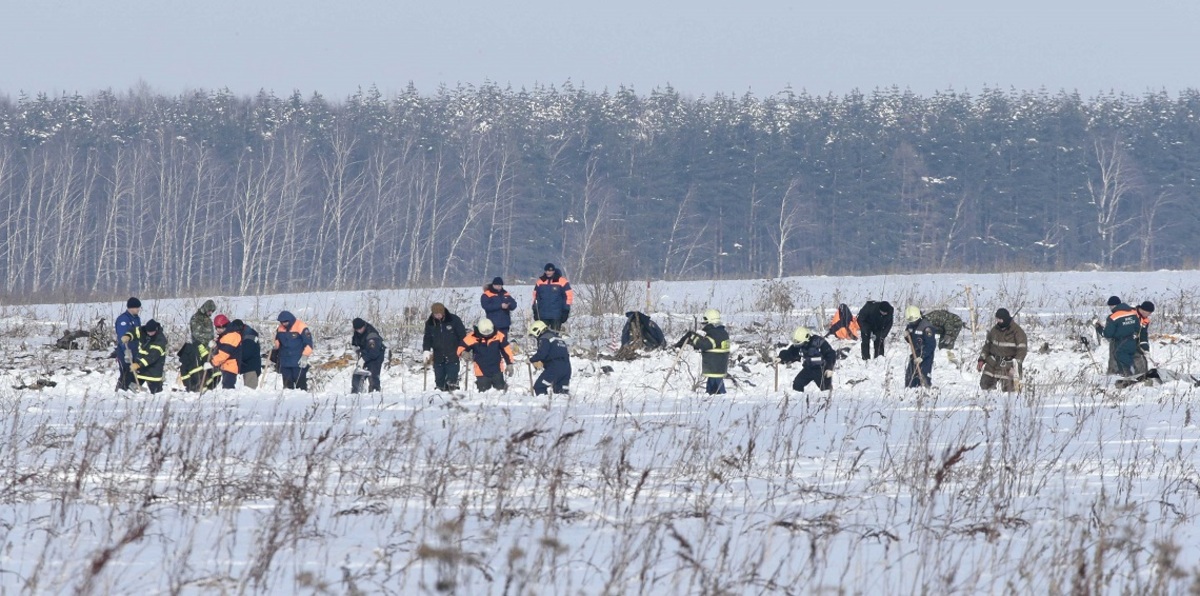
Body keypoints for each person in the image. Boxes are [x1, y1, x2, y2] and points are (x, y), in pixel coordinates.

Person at [680, 308, 731, 395]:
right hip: (718, 365)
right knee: (712, 384)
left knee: (718, 387)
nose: (705, 326)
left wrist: (693, 337)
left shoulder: (716, 333)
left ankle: (720, 397)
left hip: (715, 366)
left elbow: (705, 345)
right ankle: (711, 395)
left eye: (706, 323)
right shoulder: (721, 332)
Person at [976, 308, 1028, 392]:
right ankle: (988, 402)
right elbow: (987, 346)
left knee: (1009, 392)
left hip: (1008, 365)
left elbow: (1022, 350)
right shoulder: (994, 330)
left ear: (1005, 319)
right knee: (985, 386)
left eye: (1000, 319)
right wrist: (982, 359)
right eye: (997, 319)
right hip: (992, 363)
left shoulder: (1018, 332)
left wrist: (1016, 366)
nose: (998, 321)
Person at [458, 317, 515, 392]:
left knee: (500, 392)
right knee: (483, 394)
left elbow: (506, 350)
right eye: (485, 334)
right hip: (481, 370)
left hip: (497, 368)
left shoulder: (499, 335)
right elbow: (461, 347)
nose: (487, 335)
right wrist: (463, 353)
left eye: (489, 333)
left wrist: (509, 363)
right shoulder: (472, 337)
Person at [423, 302, 467, 392]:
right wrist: (426, 350)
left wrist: (463, 349)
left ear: (443, 312)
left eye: (439, 314)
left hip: (453, 353)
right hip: (438, 355)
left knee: (452, 378)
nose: (438, 316)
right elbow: (427, 337)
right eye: (435, 314)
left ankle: (453, 392)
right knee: (439, 379)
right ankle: (440, 392)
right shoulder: (430, 323)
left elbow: (462, 336)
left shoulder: (454, 320)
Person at [778, 326, 837, 392]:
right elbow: (791, 353)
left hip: (821, 370)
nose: (797, 345)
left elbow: (831, 354)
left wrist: (829, 368)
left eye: (799, 343)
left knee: (826, 389)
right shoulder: (799, 345)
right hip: (808, 368)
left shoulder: (819, 342)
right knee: (797, 383)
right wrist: (781, 358)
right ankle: (799, 399)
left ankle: (828, 401)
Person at [528, 320, 571, 395]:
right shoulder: (558, 338)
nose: (535, 337)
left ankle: (543, 405)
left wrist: (531, 360)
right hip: (567, 368)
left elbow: (542, 353)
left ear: (537, 330)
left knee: (539, 387)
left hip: (555, 367)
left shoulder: (544, 338)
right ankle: (564, 406)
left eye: (535, 336)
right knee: (561, 393)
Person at [124, 319, 167, 394]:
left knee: (156, 393)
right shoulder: (143, 331)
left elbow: (152, 357)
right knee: (130, 389)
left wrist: (138, 364)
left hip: (153, 370)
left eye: (152, 332)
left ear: (156, 330)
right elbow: (134, 331)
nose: (150, 334)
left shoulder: (160, 340)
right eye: (148, 332)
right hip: (141, 369)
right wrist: (128, 336)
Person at [1099, 297, 1139, 376]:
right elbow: (1138, 327)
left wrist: (1099, 329)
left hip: (1120, 342)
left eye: (1110, 306)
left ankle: (1126, 377)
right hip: (1132, 340)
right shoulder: (1133, 312)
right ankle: (1136, 374)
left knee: (1121, 360)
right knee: (1131, 358)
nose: (1110, 308)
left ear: (1113, 306)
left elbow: (1107, 334)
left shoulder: (1113, 317)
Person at [274, 310, 314, 390]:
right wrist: (275, 347)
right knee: (287, 387)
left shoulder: (301, 326)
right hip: (285, 361)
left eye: (285, 322)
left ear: (290, 320)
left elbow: (309, 343)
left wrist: (305, 356)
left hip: (298, 361)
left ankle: (302, 400)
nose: (283, 324)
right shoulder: (280, 328)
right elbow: (277, 342)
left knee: (300, 386)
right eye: (282, 322)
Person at [532, 263, 574, 331]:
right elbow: (536, 297)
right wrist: (535, 310)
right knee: (543, 336)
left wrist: (566, 310)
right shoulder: (540, 282)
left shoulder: (562, 281)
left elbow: (568, 296)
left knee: (555, 336)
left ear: (554, 271)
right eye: (547, 271)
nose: (548, 272)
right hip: (543, 315)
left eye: (550, 271)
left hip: (556, 315)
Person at [113, 297, 142, 391]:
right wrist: (126, 351)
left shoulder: (136, 318)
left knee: (133, 371)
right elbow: (123, 337)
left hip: (135, 349)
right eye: (137, 307)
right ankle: (121, 390)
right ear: (131, 308)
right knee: (126, 371)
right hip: (125, 351)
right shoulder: (123, 320)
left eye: (139, 307)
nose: (138, 309)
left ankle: (129, 390)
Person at [904, 306, 936, 388]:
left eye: (914, 321)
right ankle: (910, 390)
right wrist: (906, 336)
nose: (912, 323)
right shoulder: (910, 326)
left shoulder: (927, 328)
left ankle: (924, 392)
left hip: (926, 355)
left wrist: (922, 357)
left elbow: (931, 345)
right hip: (915, 353)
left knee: (923, 375)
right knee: (910, 375)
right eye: (911, 321)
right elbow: (911, 340)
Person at [352, 317, 386, 392]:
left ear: (363, 326)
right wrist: (355, 347)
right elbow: (355, 340)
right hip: (365, 353)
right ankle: (355, 393)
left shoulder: (371, 335)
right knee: (357, 374)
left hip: (376, 355)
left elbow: (374, 352)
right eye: (357, 330)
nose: (359, 331)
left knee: (373, 375)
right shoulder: (357, 331)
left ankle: (374, 393)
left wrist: (363, 359)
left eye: (360, 329)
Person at [209, 314, 243, 389]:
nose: (218, 329)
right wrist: (216, 344)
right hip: (226, 365)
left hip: (231, 366)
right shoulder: (226, 334)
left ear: (226, 325)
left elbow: (224, 354)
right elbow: (222, 346)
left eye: (221, 327)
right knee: (226, 386)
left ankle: (232, 400)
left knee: (228, 388)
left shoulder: (231, 336)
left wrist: (212, 363)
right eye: (217, 327)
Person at [234, 319, 262, 389]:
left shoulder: (249, 338)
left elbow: (245, 354)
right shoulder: (246, 335)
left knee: (250, 392)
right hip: (248, 368)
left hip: (251, 369)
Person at [1133, 301, 1155, 375]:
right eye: (1149, 313)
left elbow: (1143, 335)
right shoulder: (1131, 314)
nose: (1149, 315)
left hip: (1134, 341)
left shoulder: (1145, 320)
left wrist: (1146, 349)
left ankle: (1142, 376)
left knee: (1142, 358)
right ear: (1144, 310)